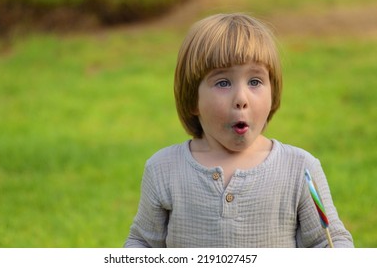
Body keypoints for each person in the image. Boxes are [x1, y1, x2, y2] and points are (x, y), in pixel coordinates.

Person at [124, 13, 353, 247]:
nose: (241, 99)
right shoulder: (163, 169)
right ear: (193, 99)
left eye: (255, 82)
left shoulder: (299, 169)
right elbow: (142, 242)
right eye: (223, 83)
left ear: (273, 93)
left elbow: (330, 241)